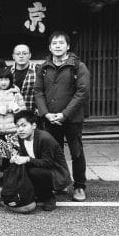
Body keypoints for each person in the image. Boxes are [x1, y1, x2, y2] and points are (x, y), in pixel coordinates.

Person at [34, 31, 90, 202]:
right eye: (54, 43)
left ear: (68, 46)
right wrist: (46, 114)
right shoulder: (44, 67)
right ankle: (61, 182)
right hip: (51, 118)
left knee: (76, 152)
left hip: (72, 119)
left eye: (61, 43)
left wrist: (64, 114)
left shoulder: (78, 66)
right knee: (55, 152)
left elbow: (82, 92)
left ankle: (79, 186)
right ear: (50, 47)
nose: (57, 46)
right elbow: (38, 91)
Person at [9, 110, 73, 212]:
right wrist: (16, 157)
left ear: (34, 125)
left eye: (24, 125)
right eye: (17, 126)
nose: (20, 129)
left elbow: (48, 163)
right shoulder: (21, 137)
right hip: (37, 166)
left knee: (35, 171)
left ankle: (48, 197)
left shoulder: (45, 138)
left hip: (55, 172)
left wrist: (26, 159)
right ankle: (35, 192)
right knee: (15, 167)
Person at [0, 68, 25, 165]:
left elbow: (24, 115)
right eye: (1, 79)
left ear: (10, 80)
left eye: (6, 79)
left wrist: (16, 109)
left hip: (15, 134)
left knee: (16, 161)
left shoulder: (16, 94)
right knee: (3, 163)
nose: (3, 82)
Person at [11, 44, 39, 114]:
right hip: (11, 116)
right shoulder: (7, 72)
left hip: (32, 114)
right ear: (13, 56)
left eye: (24, 53)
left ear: (30, 55)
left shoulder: (39, 70)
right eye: (18, 54)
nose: (21, 56)